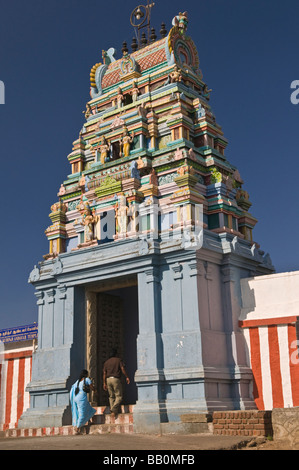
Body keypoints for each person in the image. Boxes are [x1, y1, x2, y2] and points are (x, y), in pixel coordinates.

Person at [103, 349, 130, 416]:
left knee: (111, 396)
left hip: (108, 379)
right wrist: (127, 376)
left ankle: (113, 412)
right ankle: (114, 409)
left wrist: (104, 383)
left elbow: (104, 373)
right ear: (116, 354)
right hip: (115, 379)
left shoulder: (106, 362)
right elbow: (122, 369)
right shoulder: (118, 360)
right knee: (119, 396)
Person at [70, 369, 96, 434]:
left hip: (76, 398)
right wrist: (95, 391)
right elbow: (91, 387)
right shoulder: (87, 379)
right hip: (81, 399)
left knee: (88, 408)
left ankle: (89, 421)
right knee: (82, 413)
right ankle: (77, 428)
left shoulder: (77, 381)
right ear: (86, 374)